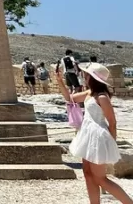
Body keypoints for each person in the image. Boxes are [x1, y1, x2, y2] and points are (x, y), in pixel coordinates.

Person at [57, 62, 133, 204]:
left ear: (93, 78)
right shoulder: (89, 93)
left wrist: (112, 143)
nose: (84, 77)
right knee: (87, 174)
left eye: (87, 75)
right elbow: (69, 98)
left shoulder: (102, 97)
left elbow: (112, 121)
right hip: (87, 136)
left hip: (98, 137)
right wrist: (60, 82)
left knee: (100, 178)